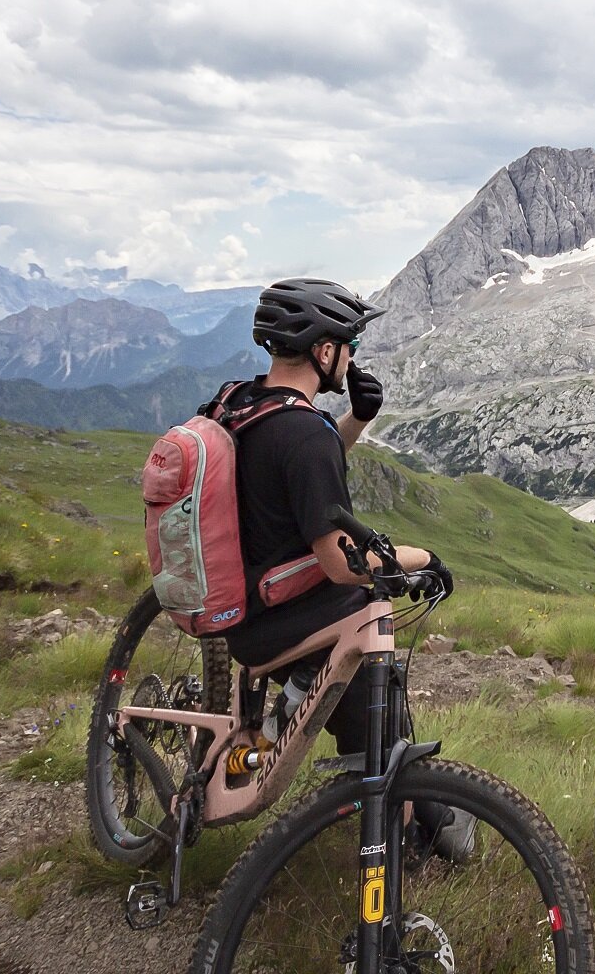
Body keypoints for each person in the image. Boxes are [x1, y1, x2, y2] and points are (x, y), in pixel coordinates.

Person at [220, 276, 469, 857]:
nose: (352, 356)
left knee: (362, 654)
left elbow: (295, 479)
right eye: (347, 345)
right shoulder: (304, 434)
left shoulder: (245, 403)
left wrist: (355, 419)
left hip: (246, 605)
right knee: (370, 618)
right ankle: (405, 820)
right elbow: (343, 562)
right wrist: (424, 560)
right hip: (279, 620)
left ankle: (412, 810)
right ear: (324, 351)